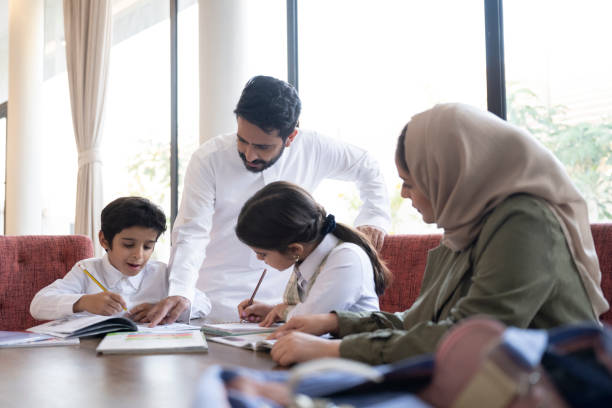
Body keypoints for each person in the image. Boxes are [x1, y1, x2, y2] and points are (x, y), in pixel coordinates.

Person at [266, 103, 608, 366]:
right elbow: (417, 321)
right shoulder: (465, 227)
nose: (403, 194)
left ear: (447, 174)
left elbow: (469, 336)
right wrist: (332, 322)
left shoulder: (525, 222)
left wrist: (334, 349)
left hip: (553, 386)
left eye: (411, 182)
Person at [146, 75, 391, 325]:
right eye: (242, 140)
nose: (249, 154)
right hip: (216, 296)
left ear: (291, 137)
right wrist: (181, 291)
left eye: (263, 147)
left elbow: (366, 165)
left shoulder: (314, 149)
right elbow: (191, 232)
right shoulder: (209, 159)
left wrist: (375, 216)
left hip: (290, 299)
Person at [235, 181, 391, 326]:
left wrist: (283, 311)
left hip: (353, 352)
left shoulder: (346, 258)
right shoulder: (307, 257)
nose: (259, 258)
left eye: (262, 254)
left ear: (295, 249)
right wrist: (271, 311)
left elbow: (311, 319)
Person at [30, 196, 211, 321]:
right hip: (92, 358)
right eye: (128, 245)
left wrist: (165, 309)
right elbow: (38, 305)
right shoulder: (86, 270)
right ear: (104, 240)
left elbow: (204, 304)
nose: (139, 255)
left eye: (148, 246)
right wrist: (83, 302)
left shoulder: (162, 273)